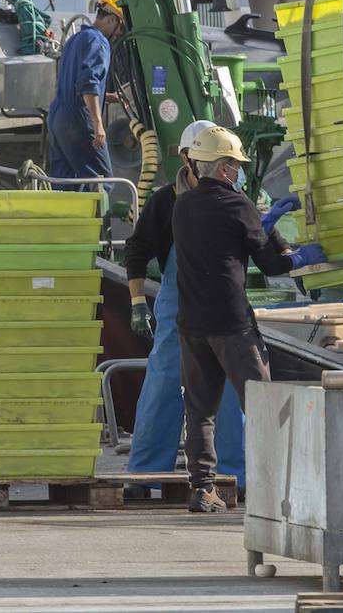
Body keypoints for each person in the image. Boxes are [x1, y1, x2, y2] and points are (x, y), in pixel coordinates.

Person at [173, 126, 325, 512]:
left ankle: (201, 487)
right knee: (261, 406)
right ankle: (275, 486)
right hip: (232, 323)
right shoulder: (236, 205)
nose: (239, 172)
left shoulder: (183, 205)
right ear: (224, 168)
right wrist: (303, 256)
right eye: (236, 166)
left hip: (191, 324)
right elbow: (271, 263)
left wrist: (262, 223)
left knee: (200, 409)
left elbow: (224, 241)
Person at [124, 120, 246, 490]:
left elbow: (261, 245)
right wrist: (136, 303)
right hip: (176, 313)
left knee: (226, 394)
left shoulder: (233, 199)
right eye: (216, 162)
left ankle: (235, 476)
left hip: (223, 312)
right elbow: (137, 251)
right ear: (188, 161)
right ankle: (145, 475)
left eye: (228, 164)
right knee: (162, 386)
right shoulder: (166, 201)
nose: (224, 172)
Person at [47, 0, 125, 187]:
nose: (118, 35)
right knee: (103, 183)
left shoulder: (75, 39)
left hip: (58, 117)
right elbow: (88, 83)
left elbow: (76, 85)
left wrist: (106, 97)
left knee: (66, 182)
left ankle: (64, 217)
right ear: (112, 19)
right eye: (120, 28)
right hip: (79, 121)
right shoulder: (99, 42)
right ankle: (99, 217)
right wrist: (98, 124)